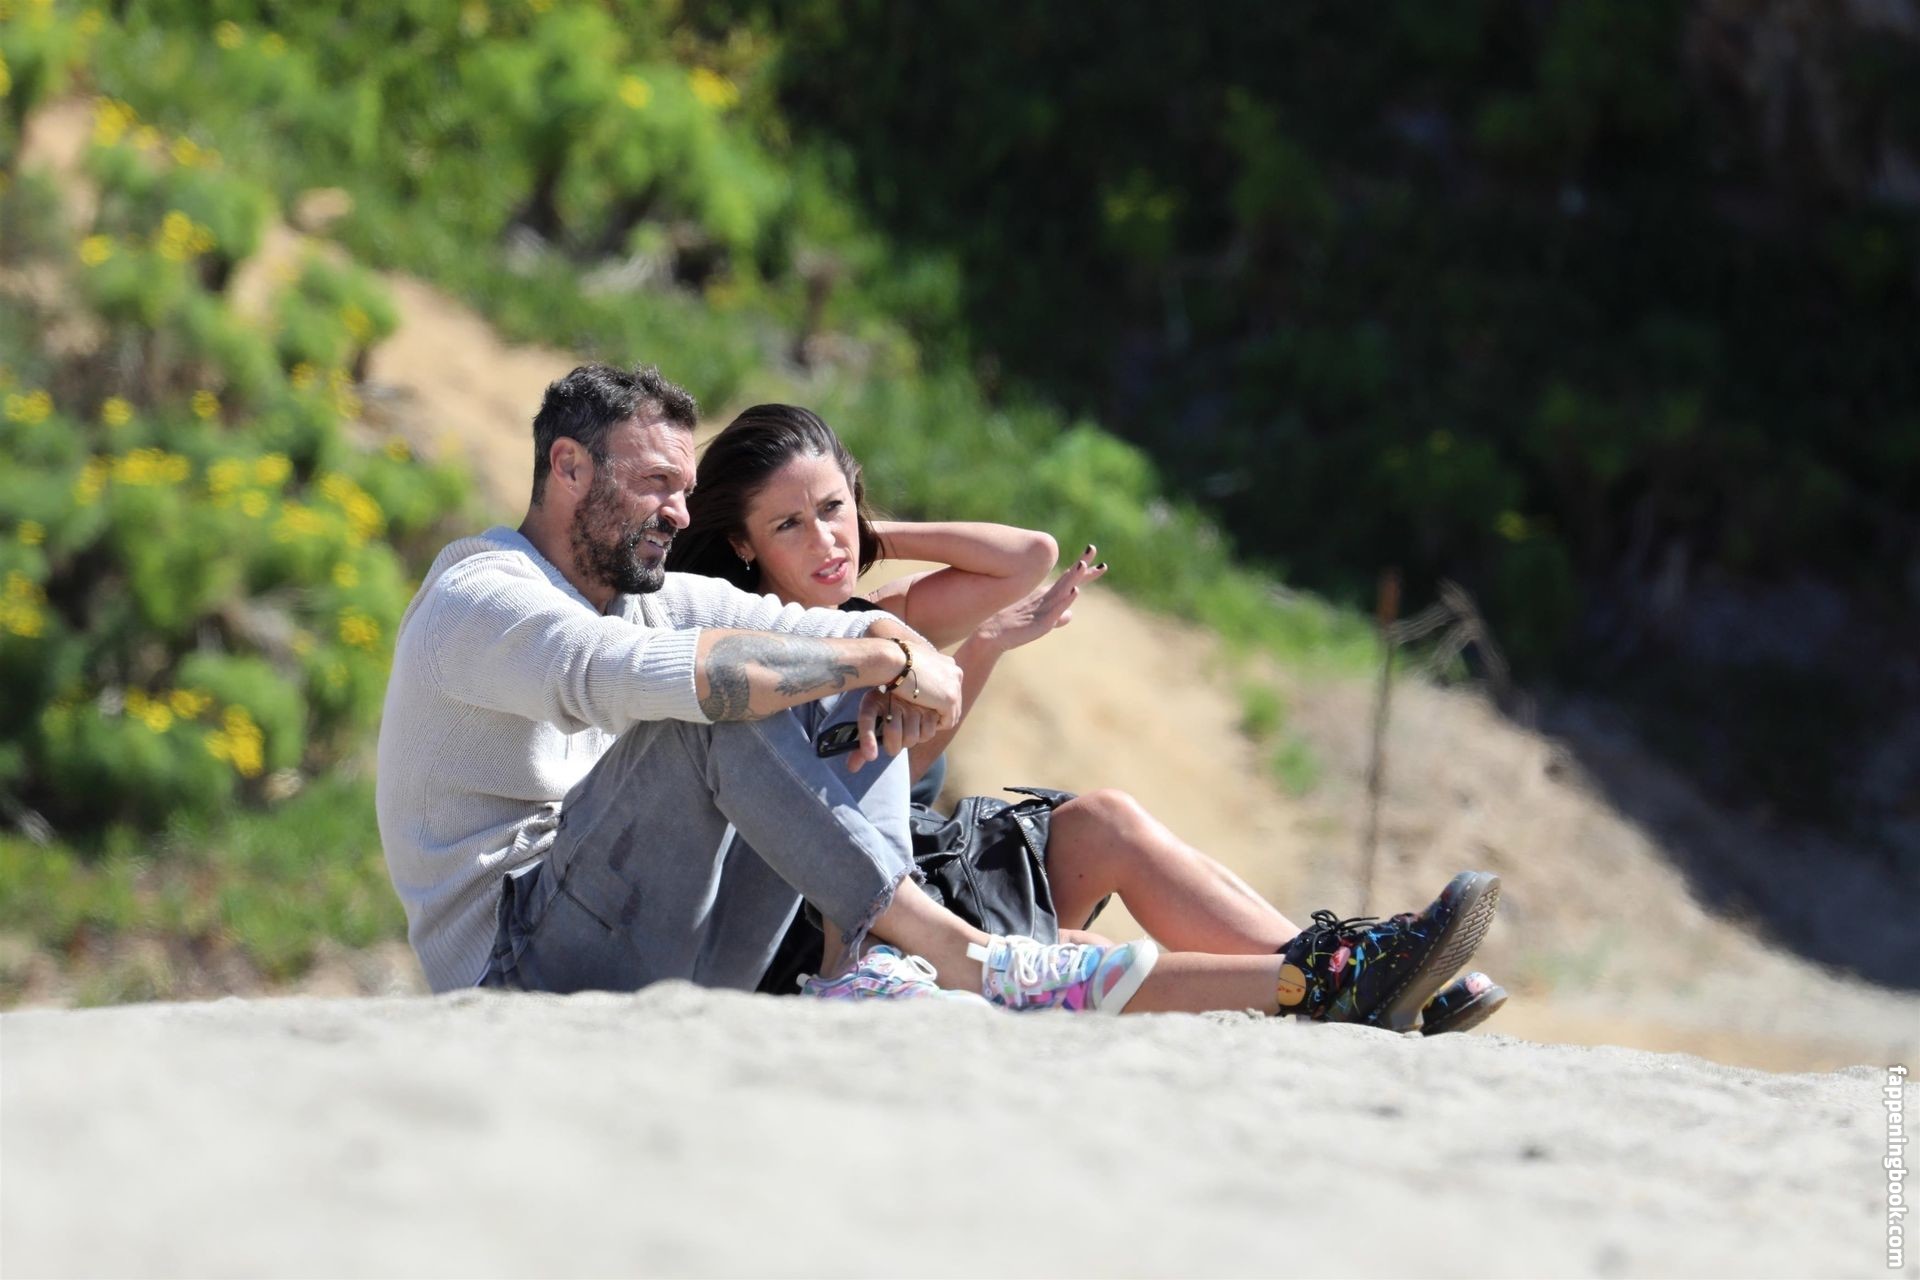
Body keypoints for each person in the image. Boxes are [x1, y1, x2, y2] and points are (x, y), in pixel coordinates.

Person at [376, 362, 1501, 1028]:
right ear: (568, 468)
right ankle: (951, 956)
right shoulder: (484, 597)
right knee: (717, 706)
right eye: (655, 483)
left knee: (811, 673)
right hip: (520, 966)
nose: (678, 511)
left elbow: (829, 629)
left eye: (686, 487)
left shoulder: (658, 597)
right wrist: (873, 657)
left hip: (673, 950)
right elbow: (629, 678)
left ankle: (893, 960)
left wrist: (893, 645)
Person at [668, 402, 1509, 1033]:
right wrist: (975, 646)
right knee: (1082, 936)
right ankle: (1351, 978)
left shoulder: (877, 614)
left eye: (832, 509)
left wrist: (879, 539)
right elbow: (871, 790)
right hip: (843, 911)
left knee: (1107, 819)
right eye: (788, 525)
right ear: (743, 545)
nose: (825, 542)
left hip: (926, 859)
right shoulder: (760, 653)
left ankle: (1360, 970)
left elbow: (1027, 557)